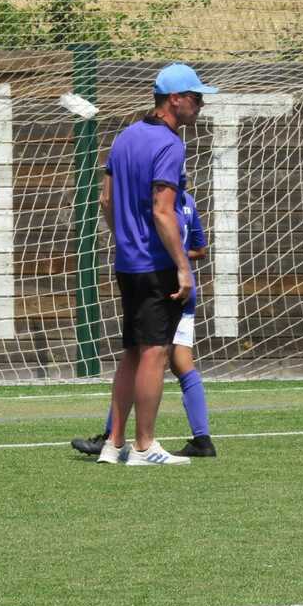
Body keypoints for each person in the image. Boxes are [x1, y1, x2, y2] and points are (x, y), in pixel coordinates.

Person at [95, 63, 217, 466]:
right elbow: (163, 211)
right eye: (196, 98)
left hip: (128, 262)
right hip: (156, 264)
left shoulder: (125, 136)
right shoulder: (170, 144)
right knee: (154, 353)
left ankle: (114, 444)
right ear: (174, 99)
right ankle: (145, 446)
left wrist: (125, 238)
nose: (200, 105)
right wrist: (182, 266)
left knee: (132, 352)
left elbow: (106, 200)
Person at [71, 189, 216, 458]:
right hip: (185, 291)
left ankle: (113, 437)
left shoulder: (158, 205)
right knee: (181, 364)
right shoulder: (188, 202)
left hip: (162, 288)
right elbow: (200, 249)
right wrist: (179, 256)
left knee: (138, 357)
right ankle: (202, 439)